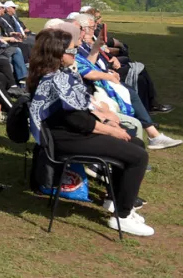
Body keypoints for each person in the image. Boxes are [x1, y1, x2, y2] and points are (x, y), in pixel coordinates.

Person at [27, 28, 154, 236]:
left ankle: (117, 202)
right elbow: (77, 121)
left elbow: (80, 109)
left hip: (71, 133)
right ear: (57, 54)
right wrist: (111, 131)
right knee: (138, 156)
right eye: (72, 51)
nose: (76, 55)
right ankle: (122, 217)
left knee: (136, 145)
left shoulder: (59, 75)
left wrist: (105, 118)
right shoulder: (53, 80)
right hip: (65, 140)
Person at [68, 15, 181, 151]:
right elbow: (86, 71)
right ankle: (145, 139)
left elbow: (89, 66)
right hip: (93, 90)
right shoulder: (70, 53)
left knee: (135, 81)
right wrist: (107, 76)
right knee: (132, 90)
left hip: (98, 84)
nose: (87, 31)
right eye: (89, 28)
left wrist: (104, 61)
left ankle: (149, 131)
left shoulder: (79, 47)